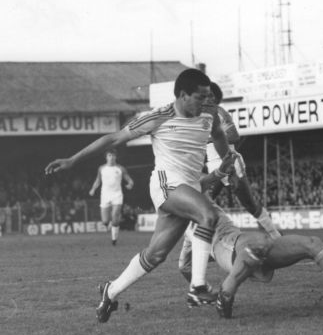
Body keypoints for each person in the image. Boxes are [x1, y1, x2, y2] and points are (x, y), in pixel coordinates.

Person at [45, 68, 231, 322]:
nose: (207, 101)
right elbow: (113, 139)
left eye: (209, 96)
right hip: (167, 185)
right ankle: (197, 288)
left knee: (156, 254)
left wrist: (227, 158)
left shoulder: (209, 113)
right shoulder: (159, 117)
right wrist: (73, 160)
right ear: (183, 95)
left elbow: (219, 135)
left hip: (190, 189)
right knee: (208, 215)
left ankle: (110, 291)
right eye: (200, 97)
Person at [179, 156, 323, 319]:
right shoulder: (186, 219)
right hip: (230, 249)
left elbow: (184, 266)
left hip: (240, 241)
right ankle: (225, 295)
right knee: (259, 243)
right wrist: (200, 286)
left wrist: (225, 170)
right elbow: (184, 265)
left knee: (312, 244)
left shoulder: (200, 196)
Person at [204, 82, 281, 239]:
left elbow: (234, 136)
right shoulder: (198, 116)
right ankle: (190, 251)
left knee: (250, 204)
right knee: (201, 205)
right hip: (212, 166)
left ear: (215, 98)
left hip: (230, 163)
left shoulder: (220, 113)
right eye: (204, 95)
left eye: (210, 95)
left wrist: (210, 138)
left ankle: (276, 236)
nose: (207, 98)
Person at [88, 149, 134, 245]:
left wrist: (130, 184)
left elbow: (129, 179)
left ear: (115, 157)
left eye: (113, 155)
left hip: (117, 194)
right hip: (105, 195)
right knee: (105, 221)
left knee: (115, 216)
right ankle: (109, 225)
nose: (111, 157)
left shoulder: (120, 168)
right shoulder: (101, 168)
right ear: (106, 157)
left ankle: (114, 240)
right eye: (109, 155)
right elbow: (98, 180)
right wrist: (93, 189)